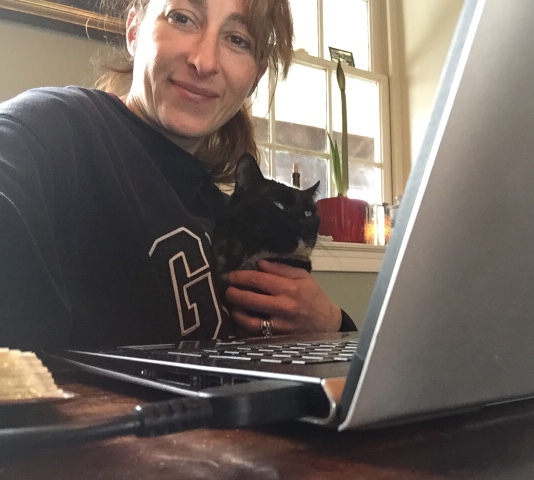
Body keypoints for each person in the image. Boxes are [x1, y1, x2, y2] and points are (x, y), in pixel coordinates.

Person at [0, 0, 355, 351]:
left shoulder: (223, 210)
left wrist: (332, 323)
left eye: (238, 40)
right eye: (182, 18)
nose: (204, 62)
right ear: (134, 29)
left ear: (255, 78)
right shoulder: (51, 131)